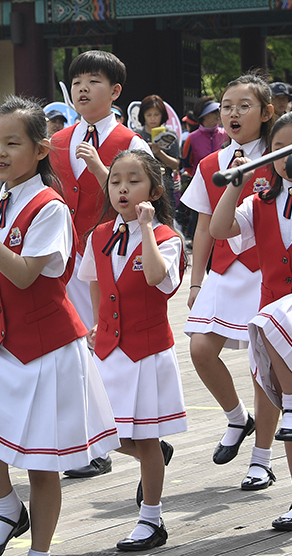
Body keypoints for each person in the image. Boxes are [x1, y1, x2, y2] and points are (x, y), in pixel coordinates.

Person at [0, 96, 118, 556]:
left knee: (42, 464)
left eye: (12, 142)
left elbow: (25, 274)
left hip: (49, 346)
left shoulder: (50, 207)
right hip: (2, 345)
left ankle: (39, 550)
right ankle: (8, 509)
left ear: (42, 150)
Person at [211, 110, 292, 534]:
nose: (285, 158)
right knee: (291, 408)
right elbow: (220, 228)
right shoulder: (259, 201)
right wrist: (237, 181)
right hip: (274, 315)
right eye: (278, 150)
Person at [47, 51, 148, 479]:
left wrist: (101, 168)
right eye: (77, 82)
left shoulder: (132, 143)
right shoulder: (55, 141)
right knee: (71, 350)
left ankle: (113, 441)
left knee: (102, 346)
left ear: (116, 91)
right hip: (63, 259)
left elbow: (144, 202)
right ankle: (95, 441)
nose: (83, 89)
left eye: (93, 81)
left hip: (113, 258)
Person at [81, 150, 187, 550]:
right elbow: (93, 279)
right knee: (99, 431)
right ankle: (156, 453)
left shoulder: (167, 238)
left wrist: (145, 228)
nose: (122, 188)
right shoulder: (99, 235)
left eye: (133, 181)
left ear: (154, 190)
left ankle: (152, 521)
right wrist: (96, 319)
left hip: (146, 351)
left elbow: (160, 279)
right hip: (108, 347)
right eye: (115, 181)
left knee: (142, 439)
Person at [180, 74, 278, 489]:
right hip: (223, 268)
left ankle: (263, 458)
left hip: (267, 270)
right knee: (200, 349)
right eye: (226, 106)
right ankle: (238, 418)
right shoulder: (210, 164)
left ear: (267, 112)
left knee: (265, 364)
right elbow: (203, 226)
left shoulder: (281, 156)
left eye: (244, 105)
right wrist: (196, 281)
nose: (233, 113)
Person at [134, 95, 182, 207]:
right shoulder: (137, 135)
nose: (153, 118)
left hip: (166, 186)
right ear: (143, 116)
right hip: (142, 186)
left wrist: (159, 153)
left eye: (156, 115)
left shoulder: (170, 135)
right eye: (149, 115)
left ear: (162, 115)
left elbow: (176, 165)